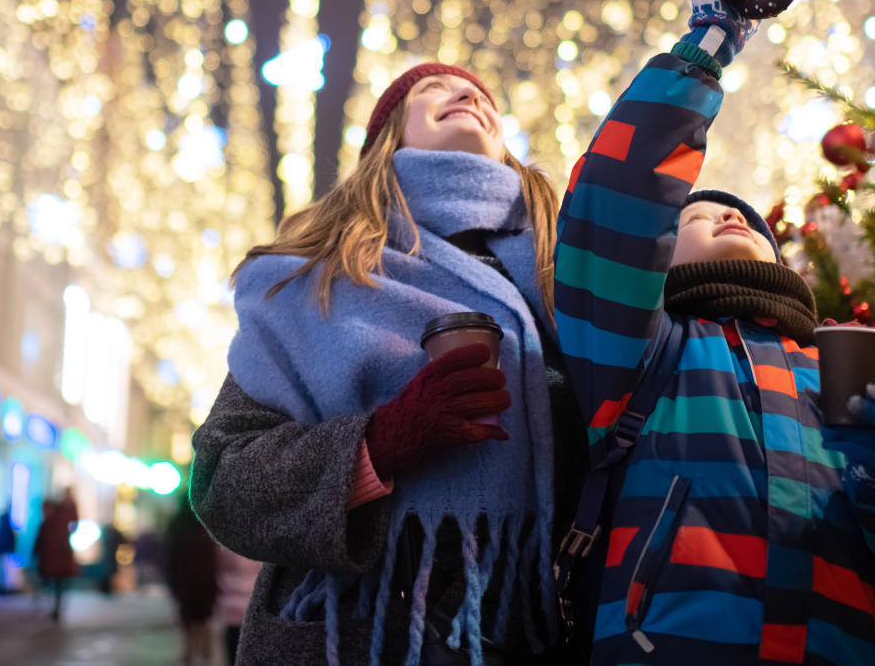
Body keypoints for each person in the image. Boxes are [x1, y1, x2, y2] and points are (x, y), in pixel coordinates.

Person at [553, 0, 875, 664]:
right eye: (698, 216)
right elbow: (616, 196)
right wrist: (705, 49)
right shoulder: (640, 350)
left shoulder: (829, 375)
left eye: (748, 219)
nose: (730, 217)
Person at [190, 62, 587, 665]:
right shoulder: (317, 280)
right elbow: (223, 481)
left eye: (482, 96)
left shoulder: (569, 273)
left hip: (541, 632)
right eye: (433, 90)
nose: (464, 94)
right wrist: (377, 447)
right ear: (388, 138)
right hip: (357, 636)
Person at [164, 497, 219, 665]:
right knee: (204, 617)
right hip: (205, 579)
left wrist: (172, 581)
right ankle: (205, 651)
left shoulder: (176, 526)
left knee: (187, 618)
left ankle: (188, 651)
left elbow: (170, 557)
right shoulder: (206, 525)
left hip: (184, 581)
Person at [33, 492, 79, 621]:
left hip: (52, 561)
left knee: (53, 584)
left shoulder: (50, 523)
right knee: (55, 584)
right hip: (54, 560)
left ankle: (53, 609)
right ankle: (54, 609)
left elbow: (40, 541)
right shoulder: (56, 522)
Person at [215, 543, 263, 666]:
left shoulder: (223, 543)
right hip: (253, 604)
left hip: (231, 606)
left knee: (234, 655)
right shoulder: (258, 544)